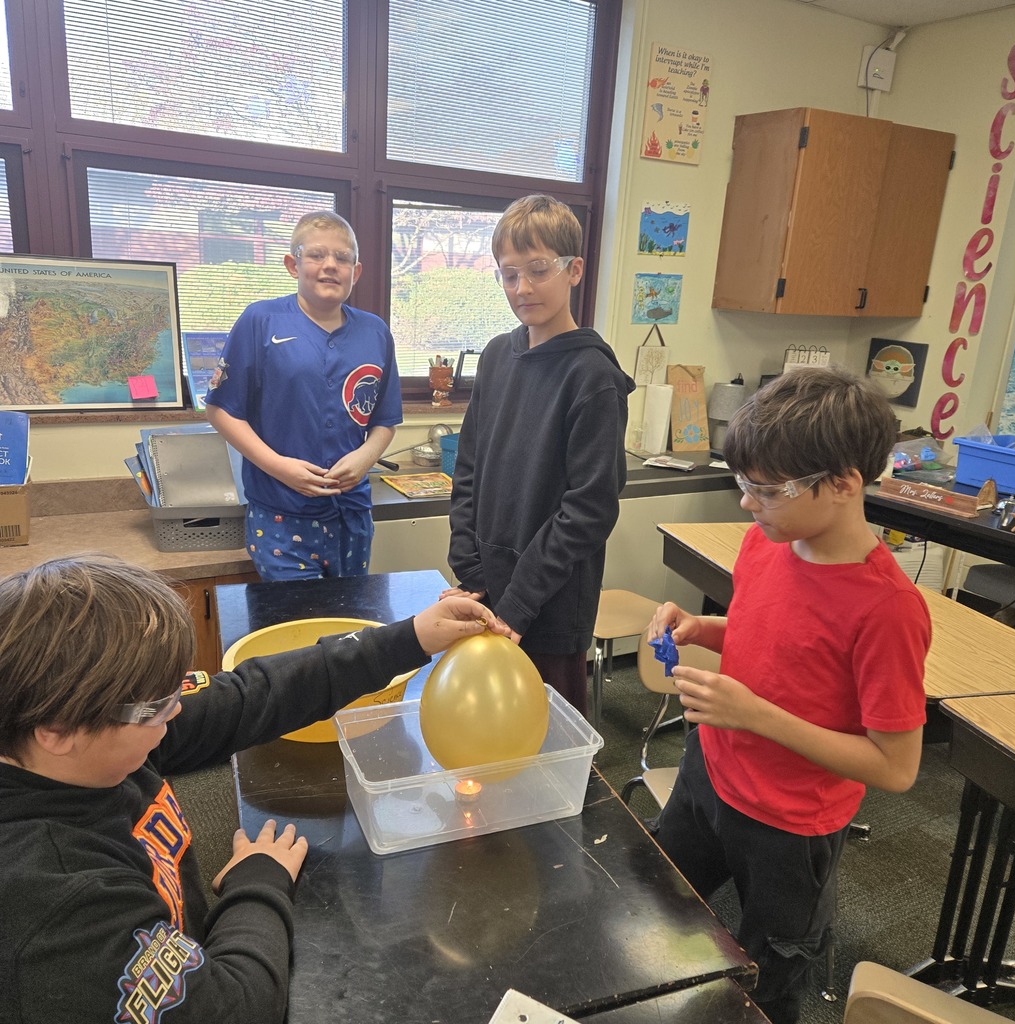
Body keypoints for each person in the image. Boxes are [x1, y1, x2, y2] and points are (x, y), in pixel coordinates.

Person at [0, 553, 503, 1024]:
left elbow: (251, 695)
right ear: (57, 732)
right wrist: (257, 884)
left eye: (174, 691)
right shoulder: (60, 911)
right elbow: (235, 1006)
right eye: (156, 707)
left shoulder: (93, 736)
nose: (176, 712)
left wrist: (409, 638)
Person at [647, 366, 931, 1024]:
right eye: (743, 483)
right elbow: (771, 636)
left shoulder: (887, 610)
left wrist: (757, 715)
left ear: (842, 484)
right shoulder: (766, 542)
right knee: (655, 906)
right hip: (708, 776)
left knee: (768, 977)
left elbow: (896, 765)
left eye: (766, 490)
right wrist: (703, 629)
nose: (747, 503)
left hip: (788, 828)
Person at [443, 194, 635, 715]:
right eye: (509, 275)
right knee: (486, 729)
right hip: (488, 587)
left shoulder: (593, 377)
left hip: (548, 604)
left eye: (538, 270)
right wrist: (471, 569)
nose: (523, 288)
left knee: (547, 740)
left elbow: (589, 509)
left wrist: (519, 602)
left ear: (573, 270)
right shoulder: (498, 356)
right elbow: (469, 468)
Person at [205, 210, 402, 581]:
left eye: (342, 258)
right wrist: (281, 468)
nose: (330, 266)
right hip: (281, 512)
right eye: (316, 255)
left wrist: (364, 459)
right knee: (298, 629)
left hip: (352, 513)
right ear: (293, 265)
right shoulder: (260, 321)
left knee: (349, 628)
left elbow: (385, 422)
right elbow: (220, 410)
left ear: (355, 272)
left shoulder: (375, 332)